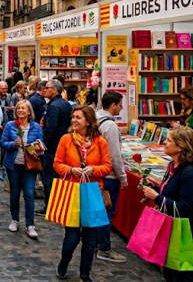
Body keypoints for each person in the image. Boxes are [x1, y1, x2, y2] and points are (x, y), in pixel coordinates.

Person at [143, 127, 193, 282]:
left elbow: (186, 208)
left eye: (169, 140)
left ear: (180, 146)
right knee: (169, 275)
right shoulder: (173, 167)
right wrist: (153, 190)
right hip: (173, 232)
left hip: (187, 237)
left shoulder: (192, 175)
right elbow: (172, 193)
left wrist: (157, 198)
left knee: (182, 277)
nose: (165, 143)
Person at [54, 105, 112, 282]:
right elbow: (57, 164)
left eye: (78, 117)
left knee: (90, 237)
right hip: (71, 191)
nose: (74, 120)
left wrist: (93, 169)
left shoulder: (100, 142)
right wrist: (71, 170)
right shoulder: (66, 139)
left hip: (93, 192)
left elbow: (107, 166)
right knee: (71, 236)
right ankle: (64, 262)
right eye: (73, 117)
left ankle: (85, 274)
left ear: (88, 120)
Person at [0, 100, 43, 239]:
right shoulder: (10, 126)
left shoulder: (35, 127)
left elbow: (41, 145)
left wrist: (34, 149)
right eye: (18, 108)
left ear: (29, 111)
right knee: (15, 193)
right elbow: (3, 143)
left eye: (23, 108)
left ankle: (30, 225)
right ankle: (15, 219)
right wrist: (13, 144)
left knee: (29, 194)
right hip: (14, 165)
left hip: (30, 166)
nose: (20, 110)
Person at [95, 91, 128, 263]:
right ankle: (104, 248)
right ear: (113, 105)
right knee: (107, 212)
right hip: (109, 175)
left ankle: (94, 244)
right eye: (120, 104)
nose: (121, 108)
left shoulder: (94, 118)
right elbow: (115, 155)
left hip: (95, 172)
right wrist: (123, 178)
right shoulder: (111, 126)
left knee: (97, 211)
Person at [39, 79, 72, 216]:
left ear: (55, 90)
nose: (44, 90)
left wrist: (43, 144)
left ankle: (50, 207)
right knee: (61, 179)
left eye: (47, 88)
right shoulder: (66, 104)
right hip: (64, 146)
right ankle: (61, 205)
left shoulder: (53, 106)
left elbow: (51, 129)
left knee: (49, 178)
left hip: (53, 148)